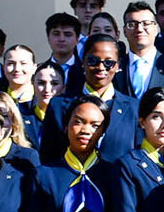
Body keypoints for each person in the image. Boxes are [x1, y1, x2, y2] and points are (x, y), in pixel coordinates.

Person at [41, 34, 140, 162]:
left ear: (117, 66)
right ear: (83, 62)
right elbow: (48, 157)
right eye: (93, 61)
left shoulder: (134, 108)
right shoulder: (58, 106)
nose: (101, 68)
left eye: (109, 63)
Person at [120, 1, 164, 100]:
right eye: (132, 24)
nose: (139, 29)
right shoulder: (114, 69)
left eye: (146, 23)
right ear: (124, 31)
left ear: (156, 28)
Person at [23, 61, 65, 150]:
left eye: (54, 84)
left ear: (63, 87)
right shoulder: (21, 114)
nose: (47, 89)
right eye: (41, 83)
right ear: (33, 84)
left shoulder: (69, 118)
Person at [44, 13, 82, 87]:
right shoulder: (39, 71)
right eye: (56, 34)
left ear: (77, 39)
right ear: (48, 38)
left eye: (68, 34)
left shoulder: (85, 71)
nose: (62, 39)